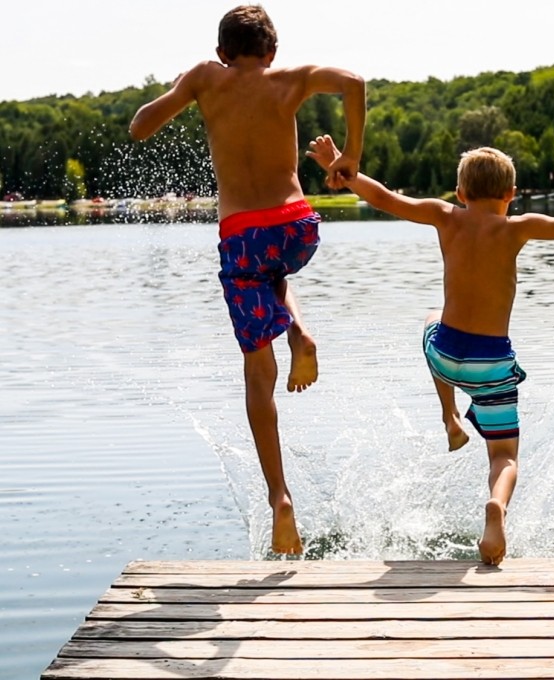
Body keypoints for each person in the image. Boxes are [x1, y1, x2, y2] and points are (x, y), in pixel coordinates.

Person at [307, 135, 554, 565]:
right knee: (505, 455)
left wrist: (343, 168)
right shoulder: (517, 227)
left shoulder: (444, 215)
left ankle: (450, 416)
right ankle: (497, 507)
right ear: (511, 194)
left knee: (429, 322)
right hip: (491, 365)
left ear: (460, 193)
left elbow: (383, 197)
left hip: (447, 357)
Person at [129, 5, 366, 555]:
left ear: (221, 52)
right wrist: (351, 153)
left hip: (241, 234)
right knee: (275, 270)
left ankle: (280, 497)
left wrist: (183, 89)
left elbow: (141, 126)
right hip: (297, 225)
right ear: (272, 51)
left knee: (258, 376)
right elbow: (355, 82)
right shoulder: (292, 78)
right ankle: (299, 331)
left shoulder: (206, 77)